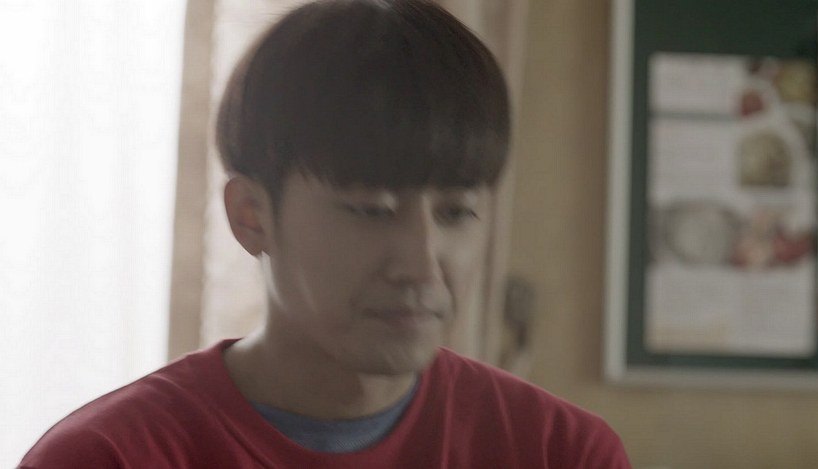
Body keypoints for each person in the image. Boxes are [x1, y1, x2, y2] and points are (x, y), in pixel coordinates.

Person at [19, 0, 631, 467]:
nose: (423, 265)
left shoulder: (558, 451)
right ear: (251, 216)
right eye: (371, 210)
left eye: (456, 213)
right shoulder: (108, 457)